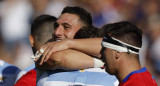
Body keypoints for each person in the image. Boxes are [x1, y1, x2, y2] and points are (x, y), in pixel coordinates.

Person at [37, 6, 118, 86]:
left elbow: (112, 47)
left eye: (66, 27)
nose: (57, 32)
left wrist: (68, 43)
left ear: (84, 30)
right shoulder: (46, 50)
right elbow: (58, 58)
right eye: (56, 26)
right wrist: (102, 62)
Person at [100, 21, 158, 86]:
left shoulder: (137, 84)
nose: (100, 54)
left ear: (117, 52)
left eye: (104, 49)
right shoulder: (138, 80)